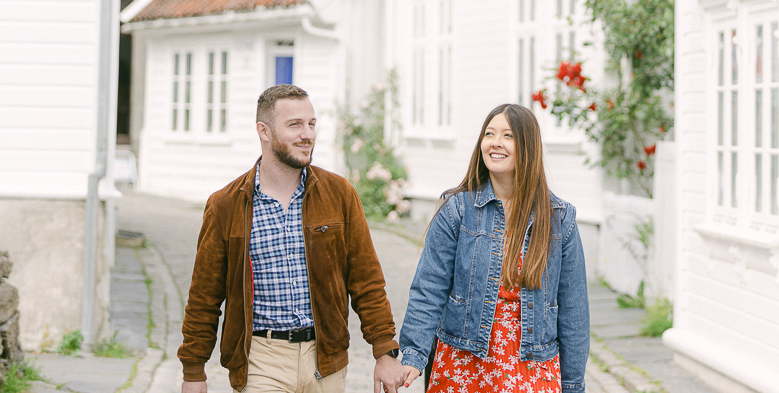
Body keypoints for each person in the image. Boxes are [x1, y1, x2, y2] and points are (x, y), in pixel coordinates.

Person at [177, 84, 408, 393]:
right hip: (261, 358)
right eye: (295, 125)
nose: (307, 134)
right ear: (264, 131)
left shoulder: (339, 195)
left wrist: (385, 351)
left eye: (311, 124)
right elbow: (204, 296)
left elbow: (366, 281)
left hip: (326, 359)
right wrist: (194, 372)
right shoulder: (226, 205)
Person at [397, 103, 590, 393]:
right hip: (464, 362)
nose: (496, 142)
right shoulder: (457, 210)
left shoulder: (559, 219)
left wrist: (573, 384)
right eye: (489, 133)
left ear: (529, 147)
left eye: (508, 135)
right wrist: (414, 353)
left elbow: (574, 310)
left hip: (532, 367)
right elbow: (429, 287)